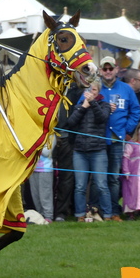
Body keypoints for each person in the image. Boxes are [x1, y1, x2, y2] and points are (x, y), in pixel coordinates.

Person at [93, 56, 140, 220]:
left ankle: (113, 211)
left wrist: (127, 129)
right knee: (98, 177)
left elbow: (136, 111)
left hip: (117, 139)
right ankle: (95, 209)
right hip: (98, 139)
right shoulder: (96, 88)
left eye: (110, 68)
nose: (107, 71)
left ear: (116, 69)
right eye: (104, 69)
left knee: (113, 177)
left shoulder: (126, 89)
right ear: (100, 70)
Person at [64, 79, 112, 222]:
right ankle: (80, 215)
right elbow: (71, 123)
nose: (91, 93)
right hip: (80, 150)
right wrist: (83, 107)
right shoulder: (79, 106)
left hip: (98, 150)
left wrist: (93, 103)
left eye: (94, 90)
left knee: (102, 184)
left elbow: (102, 118)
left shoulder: (105, 105)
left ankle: (108, 215)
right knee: (80, 186)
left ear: (99, 91)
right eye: (89, 90)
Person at [52, 83, 81, 222]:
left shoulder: (74, 90)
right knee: (46, 176)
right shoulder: (46, 84)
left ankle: (61, 213)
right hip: (48, 137)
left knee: (67, 177)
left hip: (68, 138)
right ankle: (47, 211)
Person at [30, 135, 55, 223]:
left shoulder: (51, 135)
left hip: (45, 169)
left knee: (45, 194)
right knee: (35, 194)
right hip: (32, 169)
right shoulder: (34, 133)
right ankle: (40, 216)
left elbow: (46, 152)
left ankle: (48, 216)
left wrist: (34, 144)